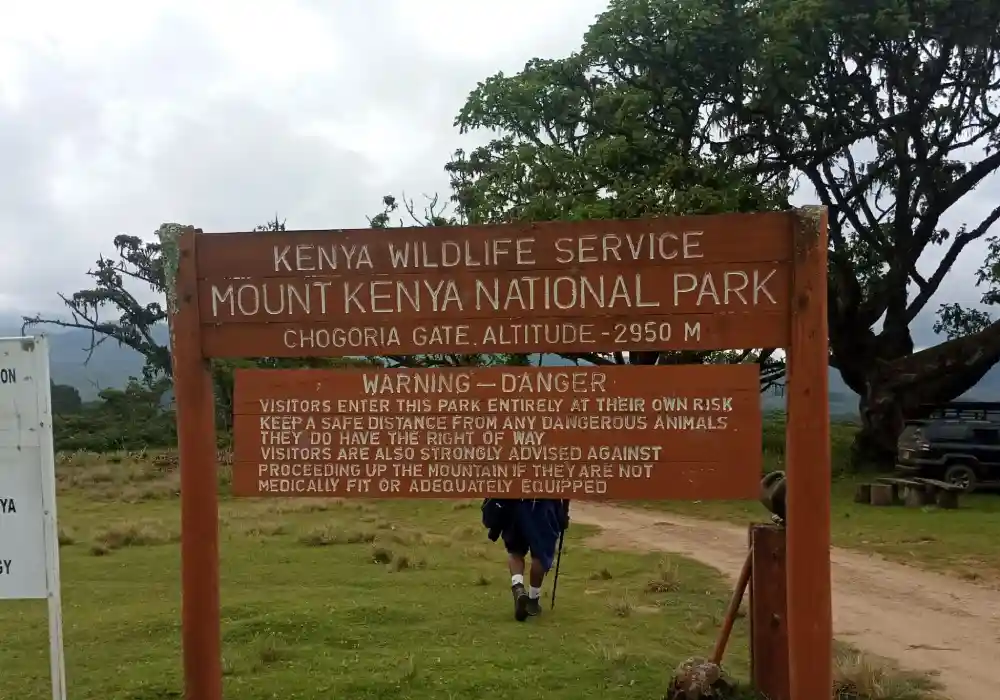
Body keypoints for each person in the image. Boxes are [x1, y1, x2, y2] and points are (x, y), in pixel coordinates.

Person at [501, 498, 569, 621]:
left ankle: (518, 586)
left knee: (515, 551)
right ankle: (533, 600)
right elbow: (566, 484)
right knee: (540, 554)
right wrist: (564, 511)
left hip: (515, 503)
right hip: (543, 505)